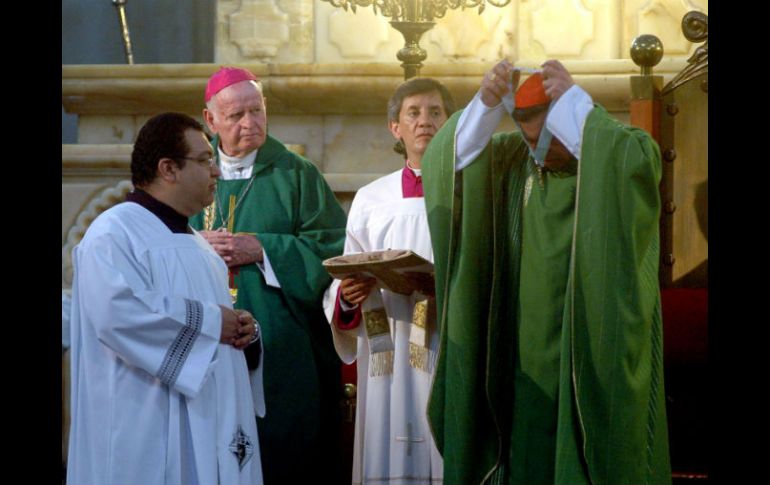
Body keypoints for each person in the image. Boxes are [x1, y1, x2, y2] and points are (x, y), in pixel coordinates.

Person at [421, 59, 672, 485]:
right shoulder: (513, 162)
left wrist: (575, 104)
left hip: (589, 352)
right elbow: (448, 165)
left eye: (548, 139)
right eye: (527, 134)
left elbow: (637, 167)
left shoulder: (618, 151)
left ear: (571, 126)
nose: (537, 150)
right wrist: (484, 103)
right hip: (519, 363)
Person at [67, 112, 264, 485]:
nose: (217, 172)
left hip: (208, 421)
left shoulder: (200, 248)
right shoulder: (113, 234)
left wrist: (244, 332)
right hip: (145, 425)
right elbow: (117, 316)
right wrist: (212, 322)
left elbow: (219, 330)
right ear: (168, 168)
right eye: (205, 161)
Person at [189, 67, 348, 484]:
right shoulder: (189, 175)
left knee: (283, 452)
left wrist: (263, 248)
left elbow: (333, 250)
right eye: (236, 115)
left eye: (256, 111)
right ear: (211, 122)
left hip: (283, 348)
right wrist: (193, 246)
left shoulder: (297, 174)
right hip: (207, 342)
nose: (250, 123)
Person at [323, 77, 456, 484]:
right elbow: (348, 268)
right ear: (394, 128)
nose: (425, 122)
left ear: (450, 123)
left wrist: (445, 287)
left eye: (435, 112)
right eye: (413, 113)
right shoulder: (371, 198)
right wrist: (349, 295)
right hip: (387, 347)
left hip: (443, 339)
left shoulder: (466, 190)